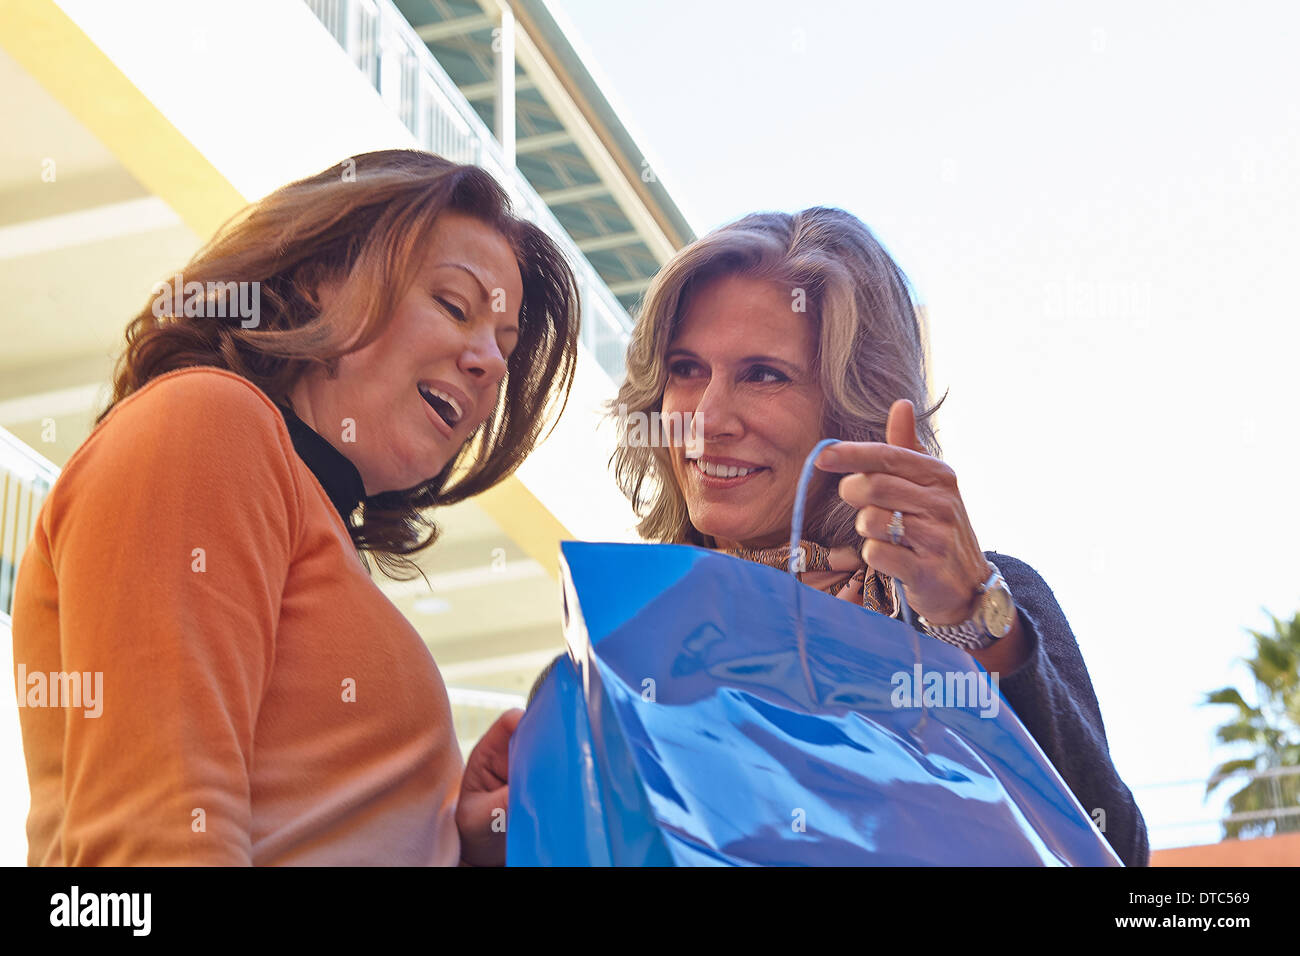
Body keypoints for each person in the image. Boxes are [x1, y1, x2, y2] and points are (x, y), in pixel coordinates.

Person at [11, 149, 579, 865]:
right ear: (318, 280)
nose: (491, 363)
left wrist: (454, 838)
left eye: (505, 345)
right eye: (454, 305)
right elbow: (158, 839)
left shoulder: (312, 519)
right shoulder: (208, 420)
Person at [607, 206, 1150, 866]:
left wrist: (969, 617)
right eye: (687, 369)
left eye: (763, 374)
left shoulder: (972, 603)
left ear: (854, 401)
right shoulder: (624, 629)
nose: (707, 419)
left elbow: (1110, 848)